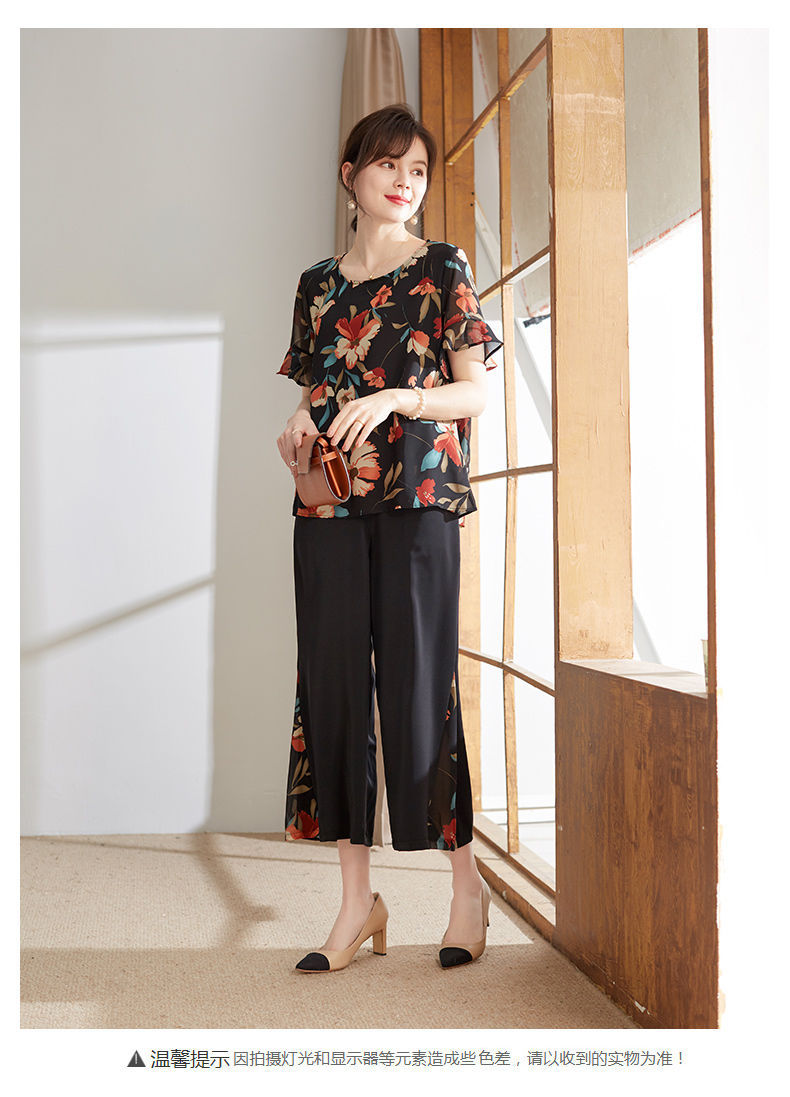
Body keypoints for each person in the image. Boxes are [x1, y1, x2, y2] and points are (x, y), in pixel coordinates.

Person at [275, 103, 503, 972]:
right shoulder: (316, 285)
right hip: (329, 505)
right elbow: (313, 394)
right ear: (351, 176)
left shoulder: (442, 266)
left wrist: (402, 397)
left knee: (419, 689)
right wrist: (295, 428)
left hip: (419, 499)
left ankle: (465, 889)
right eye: (388, 166)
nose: (405, 182)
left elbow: (472, 392)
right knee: (332, 689)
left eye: (417, 170)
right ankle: (356, 903)